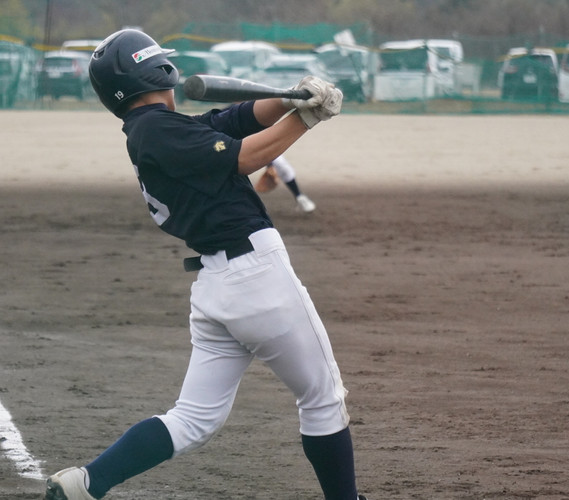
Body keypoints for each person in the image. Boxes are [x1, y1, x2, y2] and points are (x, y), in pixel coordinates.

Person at [44, 29, 366, 500]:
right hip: (256, 278)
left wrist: (287, 99)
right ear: (155, 70)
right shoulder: (159, 131)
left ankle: (86, 483)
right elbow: (245, 156)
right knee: (323, 400)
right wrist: (306, 117)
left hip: (217, 286)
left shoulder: (155, 129)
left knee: (193, 418)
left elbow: (233, 119)